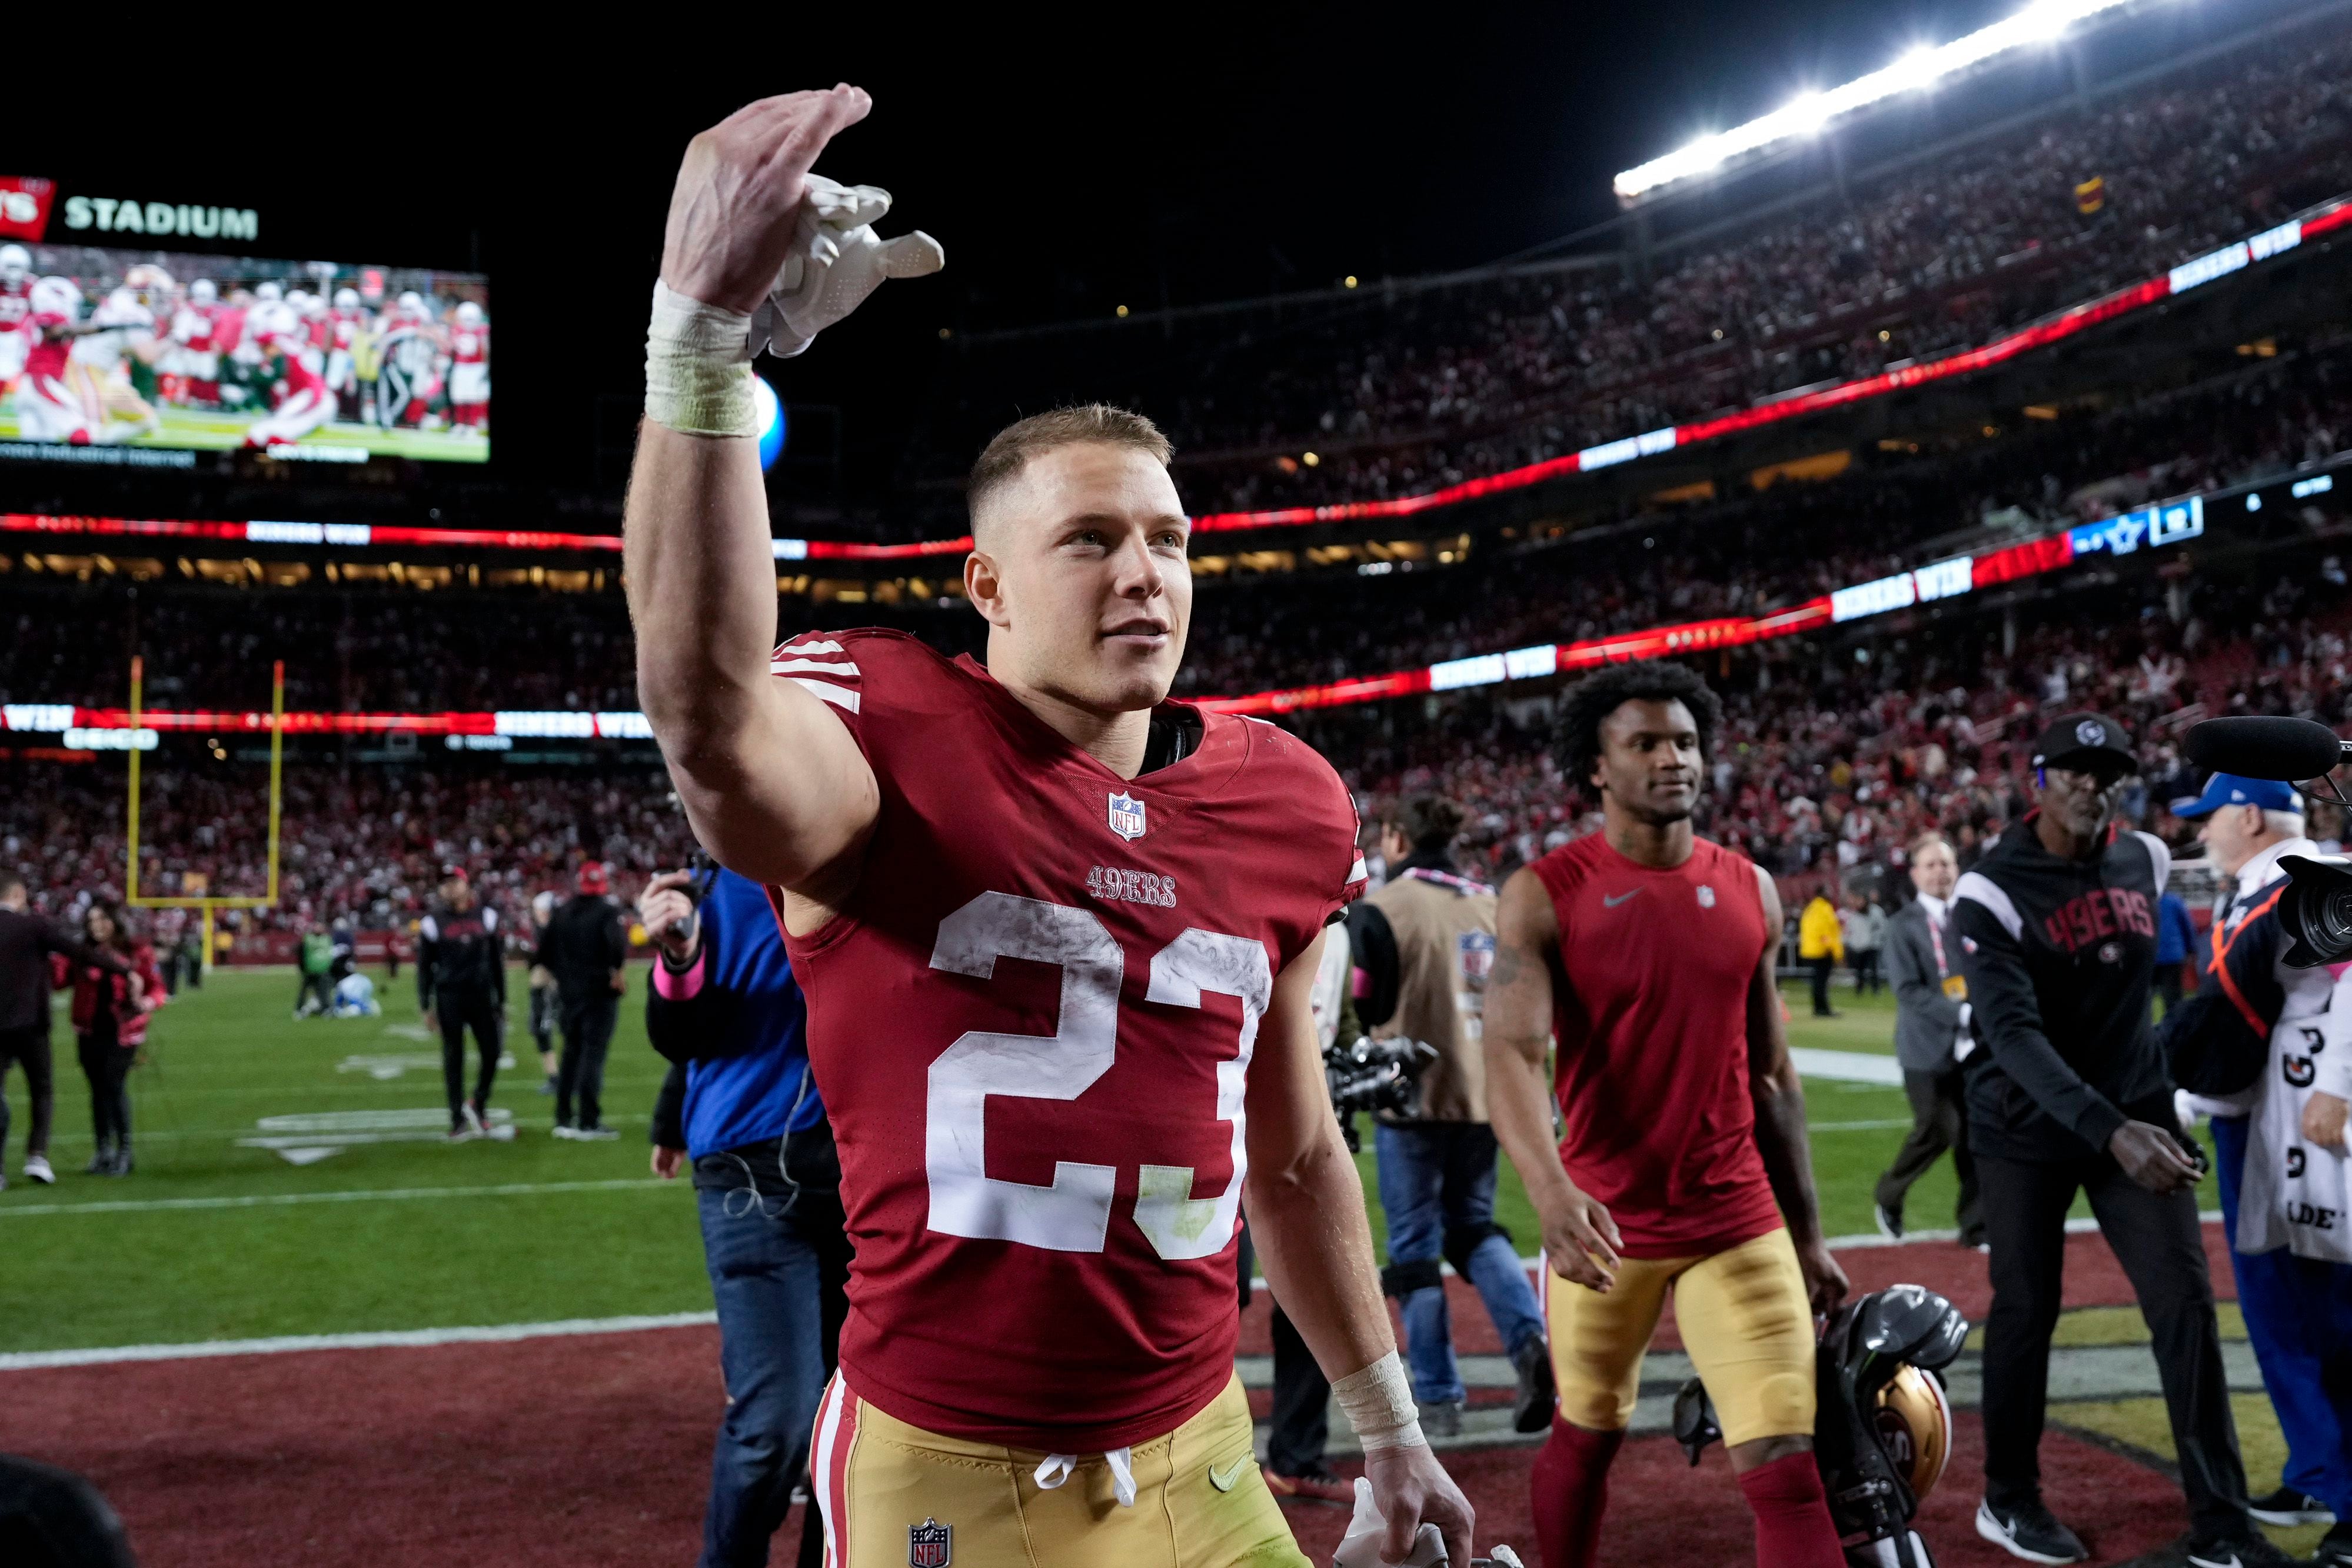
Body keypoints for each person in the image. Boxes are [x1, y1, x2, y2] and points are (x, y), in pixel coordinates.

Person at [627, 85, 1472, 1568]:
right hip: (951, 1466)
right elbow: (707, 720)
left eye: (1168, 538)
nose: (1142, 572)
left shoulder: (1287, 800)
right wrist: (699, 343)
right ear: (987, 584)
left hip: (1204, 1448)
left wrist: (1389, 1423)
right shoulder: (889, 734)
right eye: (1089, 538)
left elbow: (1292, 1152)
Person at [1484, 661, 1851, 1568]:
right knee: (1588, 1430)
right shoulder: (1546, 891)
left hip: (1737, 1217)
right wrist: (1551, 1191)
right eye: (1644, 743)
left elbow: (1773, 1075)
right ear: (1598, 767)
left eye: (1684, 742)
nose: (1672, 759)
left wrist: (1806, 1234)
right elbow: (1511, 1054)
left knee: (1787, 1467)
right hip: (1606, 1223)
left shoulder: (1751, 888)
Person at [1954, 714, 2277, 1566]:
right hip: (2024, 1125)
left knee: (2183, 1303)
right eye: (2073, 770)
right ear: (2036, 780)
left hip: (2136, 1110)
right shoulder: (1988, 889)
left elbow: (2161, 987)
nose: (2091, 785)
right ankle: (2008, 1497)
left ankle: (2222, 1523)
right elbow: (2014, 1039)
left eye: (2106, 772)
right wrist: (2114, 1130)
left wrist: (2166, 1085)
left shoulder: (2146, 856)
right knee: (2027, 1306)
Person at [642, 865, 849, 1568]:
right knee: (776, 1423)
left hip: (870, 1180)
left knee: (850, 1425)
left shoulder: (875, 863)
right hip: (751, 1177)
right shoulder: (713, 892)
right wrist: (679, 956)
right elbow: (681, 1033)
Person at [2169, 772, 2352, 1552]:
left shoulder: (2309, 881)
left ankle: (2348, 1495)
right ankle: (2322, 1471)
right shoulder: (2263, 885)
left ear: (2246, 815)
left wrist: (2340, 1083)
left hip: (2305, 1119)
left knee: (2319, 1311)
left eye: (2208, 818)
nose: (2199, 833)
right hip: (2264, 1116)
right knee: (2285, 1312)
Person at [1348, 794, 1553, 1439]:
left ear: (1397, 839)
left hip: (1411, 1097)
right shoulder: (1493, 904)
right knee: (1474, 1227)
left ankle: (1437, 1396)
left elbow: (1366, 1000)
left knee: (1414, 1248)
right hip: (1487, 1094)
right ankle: (1529, 1342)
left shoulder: (1382, 908)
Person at [1872, 834, 1983, 1247]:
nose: (1940, 871)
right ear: (1915, 874)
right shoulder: (1903, 926)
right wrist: (1964, 1013)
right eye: (1931, 864)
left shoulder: (1972, 917)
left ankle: (1976, 1226)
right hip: (1925, 1047)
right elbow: (1908, 991)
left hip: (1974, 1048)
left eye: (1946, 863)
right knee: (1937, 1128)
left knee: (1976, 1137)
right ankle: (1888, 1193)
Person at [0, 871, 131, 1191]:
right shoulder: (34, 926)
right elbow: (81, 953)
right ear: (18, 894)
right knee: (41, 1090)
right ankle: (37, 1156)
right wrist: (124, 970)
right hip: (32, 1025)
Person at [54, 903, 165, 1176]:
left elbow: (157, 988)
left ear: (115, 920)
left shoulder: (136, 951)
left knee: (114, 1085)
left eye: (102, 918)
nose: (96, 925)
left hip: (124, 1030)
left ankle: (125, 1152)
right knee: (98, 1089)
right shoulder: (81, 952)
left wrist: (146, 1003)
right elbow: (58, 980)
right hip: (89, 1029)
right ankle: (103, 1151)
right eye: (91, 920)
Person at [539, 862, 628, 1141]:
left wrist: (563, 978)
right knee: (593, 1055)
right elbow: (616, 944)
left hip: (569, 993)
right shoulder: (607, 911)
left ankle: (563, 1117)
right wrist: (617, 971)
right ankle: (589, 1120)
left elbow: (544, 951)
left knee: (570, 1053)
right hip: (599, 992)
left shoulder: (561, 911)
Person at [417, 867, 506, 1140]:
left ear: (466, 885)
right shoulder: (432, 922)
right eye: (444, 884)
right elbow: (425, 967)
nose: (449, 888)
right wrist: (425, 1005)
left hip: (481, 996)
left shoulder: (487, 916)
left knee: (492, 1052)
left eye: (454, 882)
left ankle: (478, 1102)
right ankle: (457, 1118)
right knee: (453, 1057)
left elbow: (496, 963)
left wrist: (501, 1000)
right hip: (449, 997)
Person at [527, 891, 561, 1093]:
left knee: (544, 1029)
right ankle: (556, 1076)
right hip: (542, 987)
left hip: (552, 988)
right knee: (539, 1029)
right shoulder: (544, 930)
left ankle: (558, 1077)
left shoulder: (554, 932)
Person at [1798, 888, 1844, 1016]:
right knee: (1821, 982)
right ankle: (1823, 1009)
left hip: (1811, 950)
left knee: (1818, 981)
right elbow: (1825, 933)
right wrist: (1835, 952)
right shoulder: (1824, 909)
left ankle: (1819, 1008)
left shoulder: (1811, 909)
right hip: (1822, 950)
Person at [2155, 887, 2197, 1016]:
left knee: (2144, 999)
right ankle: (2176, 1028)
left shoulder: (2140, 900)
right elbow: (2187, 926)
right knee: (2173, 997)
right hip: (2173, 955)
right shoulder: (2174, 901)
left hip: (2150, 955)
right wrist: (2192, 949)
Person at [1845, 891, 1886, 996]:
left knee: (1873, 969)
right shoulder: (1855, 913)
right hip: (1859, 946)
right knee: (1859, 970)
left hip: (1872, 945)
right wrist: (1852, 941)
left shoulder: (1876, 911)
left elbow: (1882, 926)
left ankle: (1875, 990)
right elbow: (1851, 929)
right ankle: (1859, 990)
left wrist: (1877, 938)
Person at [295, 922, 335, 1018]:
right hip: (310, 970)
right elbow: (301, 953)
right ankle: (300, 1009)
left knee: (323, 991)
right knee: (304, 991)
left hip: (323, 970)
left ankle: (326, 1009)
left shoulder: (327, 939)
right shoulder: (308, 939)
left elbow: (330, 954)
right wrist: (302, 968)